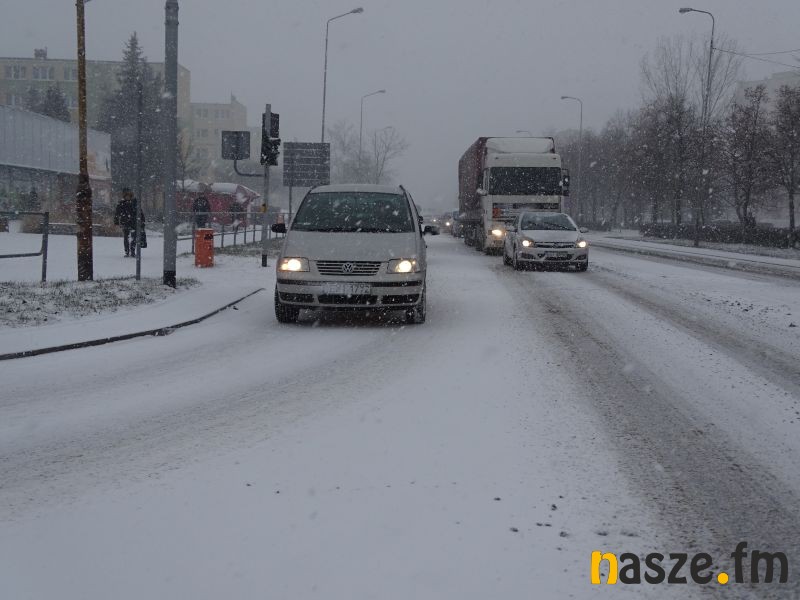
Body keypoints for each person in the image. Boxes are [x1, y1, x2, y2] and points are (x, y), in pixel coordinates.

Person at [114, 187, 138, 257]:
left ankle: (132, 251)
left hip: (133, 222)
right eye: (126, 196)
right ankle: (127, 252)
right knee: (126, 237)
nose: (127, 197)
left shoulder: (134, 202)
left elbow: (139, 212)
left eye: (129, 195)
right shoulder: (121, 203)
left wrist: (142, 221)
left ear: (130, 196)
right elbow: (117, 213)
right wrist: (116, 221)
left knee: (133, 237)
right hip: (125, 222)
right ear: (124, 196)